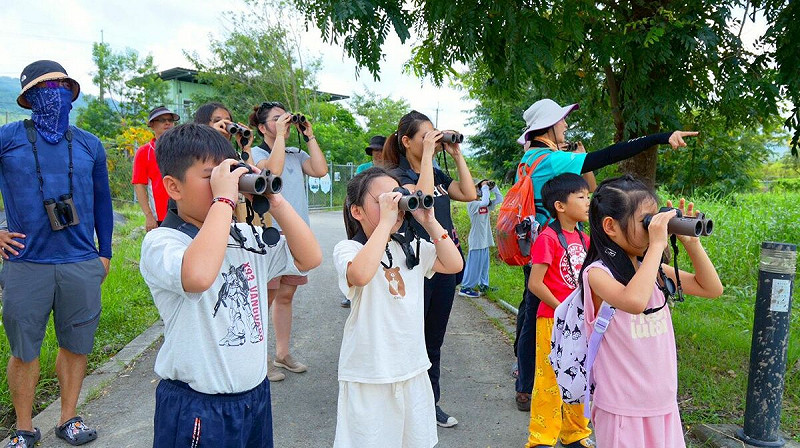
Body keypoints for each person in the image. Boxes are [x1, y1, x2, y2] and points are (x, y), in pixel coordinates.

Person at [139, 123, 322, 448]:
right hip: (197, 404)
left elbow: (309, 258)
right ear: (173, 187)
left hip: (254, 396)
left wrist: (274, 200)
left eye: (230, 175)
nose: (226, 185)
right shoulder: (162, 242)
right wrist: (223, 200)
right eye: (212, 177)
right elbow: (198, 276)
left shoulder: (246, 237)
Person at [513, 98, 699, 412]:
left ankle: (526, 381)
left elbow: (590, 189)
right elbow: (611, 155)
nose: (566, 125)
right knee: (550, 313)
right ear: (549, 125)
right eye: (562, 121)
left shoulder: (529, 159)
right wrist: (659, 137)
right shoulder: (549, 159)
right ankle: (541, 385)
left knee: (530, 309)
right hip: (556, 246)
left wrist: (577, 158)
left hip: (538, 244)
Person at [0, 60, 112, 447]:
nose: (58, 93)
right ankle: (25, 428)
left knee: (76, 344)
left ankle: (68, 419)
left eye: (64, 86)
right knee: (24, 349)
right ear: (30, 98)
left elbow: (103, 205)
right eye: (49, 87)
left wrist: (106, 253)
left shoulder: (88, 144)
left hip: (80, 262)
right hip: (25, 263)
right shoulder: (8, 138)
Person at [582, 175, 723, 447]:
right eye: (646, 222)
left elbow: (711, 288)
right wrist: (658, 244)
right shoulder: (597, 274)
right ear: (610, 226)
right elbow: (634, 302)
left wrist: (691, 244)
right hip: (622, 408)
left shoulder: (653, 269)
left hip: (663, 403)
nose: (654, 228)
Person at [332, 167, 463, 447]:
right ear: (357, 212)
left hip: (412, 368)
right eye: (383, 200)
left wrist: (430, 222)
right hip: (370, 375)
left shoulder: (411, 246)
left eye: (398, 196)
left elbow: (454, 264)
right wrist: (384, 225)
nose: (393, 204)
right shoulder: (348, 249)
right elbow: (361, 275)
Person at [383, 110, 476, 427]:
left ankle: (429, 403)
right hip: (414, 266)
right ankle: (399, 405)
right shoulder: (396, 177)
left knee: (433, 341)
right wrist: (425, 161)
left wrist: (456, 153)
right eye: (427, 136)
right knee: (409, 338)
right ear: (406, 141)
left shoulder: (436, 173)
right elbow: (421, 199)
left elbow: (469, 193)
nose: (434, 141)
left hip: (444, 263)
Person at [248, 101, 328, 381]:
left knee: (286, 295)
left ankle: (282, 353)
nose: (284, 121)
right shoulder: (254, 153)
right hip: (269, 234)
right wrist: (281, 136)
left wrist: (309, 135)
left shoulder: (295, 153)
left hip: (296, 235)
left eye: (286, 118)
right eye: (276, 119)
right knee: (266, 297)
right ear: (261, 127)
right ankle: (261, 360)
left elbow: (320, 170)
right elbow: (272, 171)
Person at [524, 173, 592, 448]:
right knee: (549, 378)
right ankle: (541, 438)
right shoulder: (548, 238)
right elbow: (535, 283)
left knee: (579, 378)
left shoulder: (586, 239)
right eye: (581, 197)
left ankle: (575, 434)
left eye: (588, 197)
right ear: (559, 206)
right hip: (552, 320)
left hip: (579, 322)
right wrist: (562, 308)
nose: (588, 202)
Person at [132, 106, 180, 230]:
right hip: (160, 217)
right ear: (152, 125)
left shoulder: (183, 148)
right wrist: (149, 215)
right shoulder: (145, 152)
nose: (167, 123)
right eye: (162, 120)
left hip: (185, 213)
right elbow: (139, 185)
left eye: (170, 120)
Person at [457, 179, 503, 298]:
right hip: (476, 240)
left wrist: (494, 187)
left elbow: (499, 199)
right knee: (474, 265)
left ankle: (483, 284)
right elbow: (484, 202)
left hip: (485, 239)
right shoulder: (472, 204)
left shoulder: (484, 203)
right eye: (478, 187)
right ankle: (466, 287)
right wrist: (484, 187)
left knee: (484, 265)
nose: (480, 189)